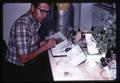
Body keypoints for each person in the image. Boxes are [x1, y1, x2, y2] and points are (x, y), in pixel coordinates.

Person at [2, 3, 56, 82]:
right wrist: (45, 47)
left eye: (47, 12)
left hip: (29, 64)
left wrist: (46, 42)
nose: (45, 16)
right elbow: (23, 59)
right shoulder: (22, 25)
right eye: (42, 11)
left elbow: (34, 44)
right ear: (32, 7)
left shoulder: (34, 21)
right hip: (17, 70)